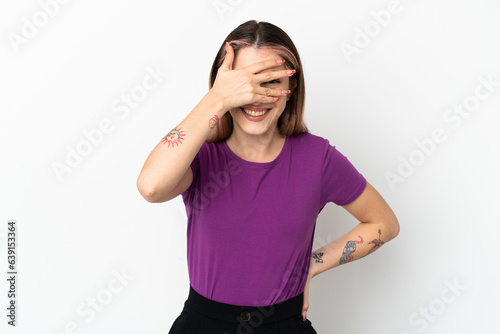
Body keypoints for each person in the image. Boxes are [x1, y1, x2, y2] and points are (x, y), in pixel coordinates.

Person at [137, 20, 400, 334]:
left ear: (291, 89)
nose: (255, 97)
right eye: (243, 84)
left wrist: (312, 265)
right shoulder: (200, 155)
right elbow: (151, 187)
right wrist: (217, 100)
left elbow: (384, 223)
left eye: (271, 82)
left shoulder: (318, 158)